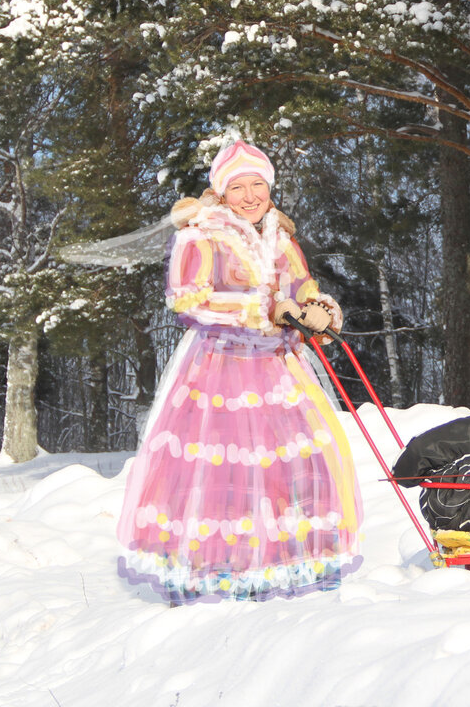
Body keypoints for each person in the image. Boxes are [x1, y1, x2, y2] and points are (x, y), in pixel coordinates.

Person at [116, 140, 363, 605]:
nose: (250, 196)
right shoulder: (200, 234)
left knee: (285, 464)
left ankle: (282, 560)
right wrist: (267, 308)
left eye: (258, 185)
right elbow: (188, 300)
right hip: (220, 367)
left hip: (279, 364)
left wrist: (317, 311)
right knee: (225, 466)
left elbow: (303, 286)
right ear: (221, 192)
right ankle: (218, 567)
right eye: (238, 186)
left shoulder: (281, 237)